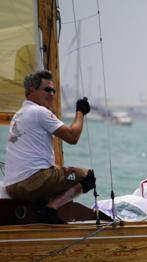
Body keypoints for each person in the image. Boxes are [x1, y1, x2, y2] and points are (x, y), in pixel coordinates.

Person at [3, 70, 95, 224]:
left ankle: (40, 210)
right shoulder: (39, 112)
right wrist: (80, 112)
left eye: (54, 90)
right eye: (47, 89)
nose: (52, 94)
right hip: (32, 184)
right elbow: (72, 137)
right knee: (88, 176)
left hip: (12, 186)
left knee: (56, 169)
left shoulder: (19, 114)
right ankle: (50, 209)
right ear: (32, 90)